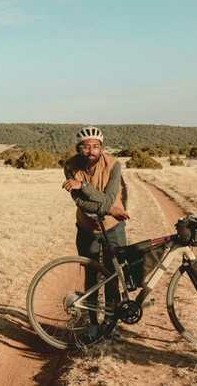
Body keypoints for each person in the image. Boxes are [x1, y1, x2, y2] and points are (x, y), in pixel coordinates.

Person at [62, 125, 129, 341]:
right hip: (87, 227)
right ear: (78, 148)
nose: (91, 151)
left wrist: (82, 184)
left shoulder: (113, 165)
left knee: (112, 275)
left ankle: (110, 324)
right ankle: (92, 323)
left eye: (95, 147)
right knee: (90, 275)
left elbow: (109, 198)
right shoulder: (70, 165)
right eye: (85, 147)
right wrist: (109, 208)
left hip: (112, 226)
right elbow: (80, 202)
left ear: (101, 148)